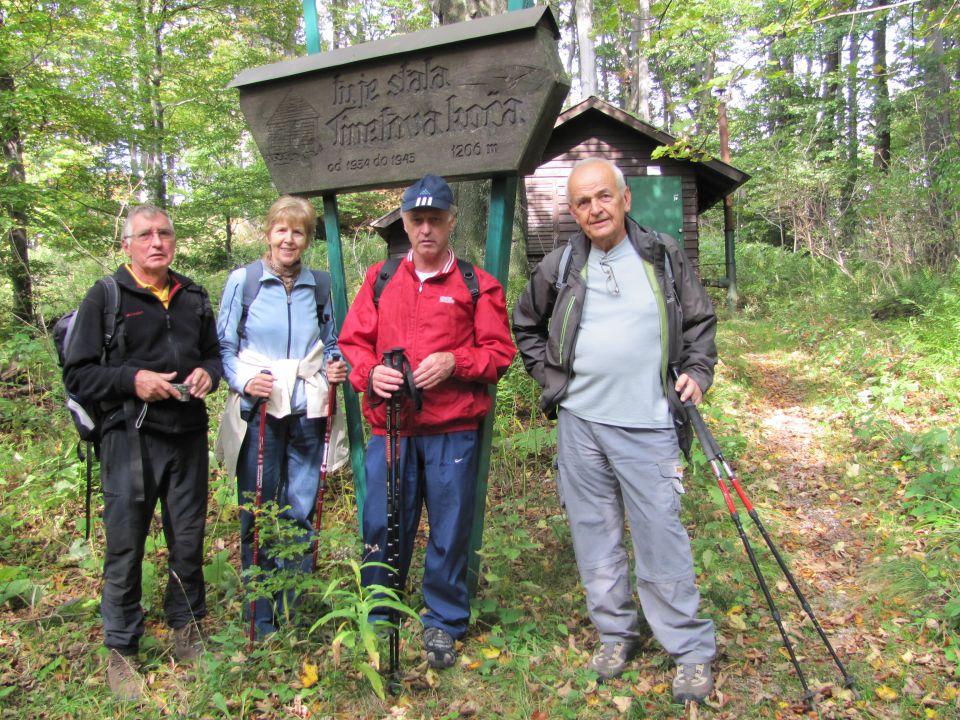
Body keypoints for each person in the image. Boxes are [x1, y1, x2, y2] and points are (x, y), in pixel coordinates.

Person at [512, 158, 718, 704]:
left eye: (604, 196)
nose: (595, 209)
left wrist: (697, 372)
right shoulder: (561, 264)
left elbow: (698, 322)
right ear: (573, 211)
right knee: (594, 535)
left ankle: (690, 650)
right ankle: (615, 632)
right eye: (582, 201)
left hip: (649, 424)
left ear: (625, 199)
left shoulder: (663, 255)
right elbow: (526, 325)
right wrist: (552, 380)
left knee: (661, 538)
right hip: (580, 425)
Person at [338, 174, 515, 669]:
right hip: (390, 429)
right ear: (405, 222)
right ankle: (380, 613)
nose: (426, 229)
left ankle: (442, 621)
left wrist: (455, 363)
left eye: (436, 219)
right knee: (382, 521)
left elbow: (500, 353)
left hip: (451, 429)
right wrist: (370, 373)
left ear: (452, 221)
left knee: (449, 527)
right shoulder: (379, 279)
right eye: (417, 219)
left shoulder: (477, 285)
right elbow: (353, 344)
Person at [63, 205, 222, 701]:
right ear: (127, 244)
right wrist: (133, 380)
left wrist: (208, 376)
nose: (157, 241)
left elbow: (215, 355)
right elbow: (79, 373)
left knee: (189, 538)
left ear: (174, 242)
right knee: (126, 544)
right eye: (146, 234)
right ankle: (121, 648)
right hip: (130, 439)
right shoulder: (106, 296)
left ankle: (186, 628)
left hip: (189, 434)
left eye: (165, 234)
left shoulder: (193, 295)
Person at [216, 195, 347, 639]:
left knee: (300, 510)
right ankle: (260, 617)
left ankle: (292, 607)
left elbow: (333, 341)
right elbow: (225, 348)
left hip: (308, 408)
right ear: (268, 233)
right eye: (281, 230)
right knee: (258, 507)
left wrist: (336, 363)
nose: (289, 239)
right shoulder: (244, 282)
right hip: (260, 409)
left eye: (298, 231)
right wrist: (242, 381)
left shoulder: (322, 284)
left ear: (307, 239)